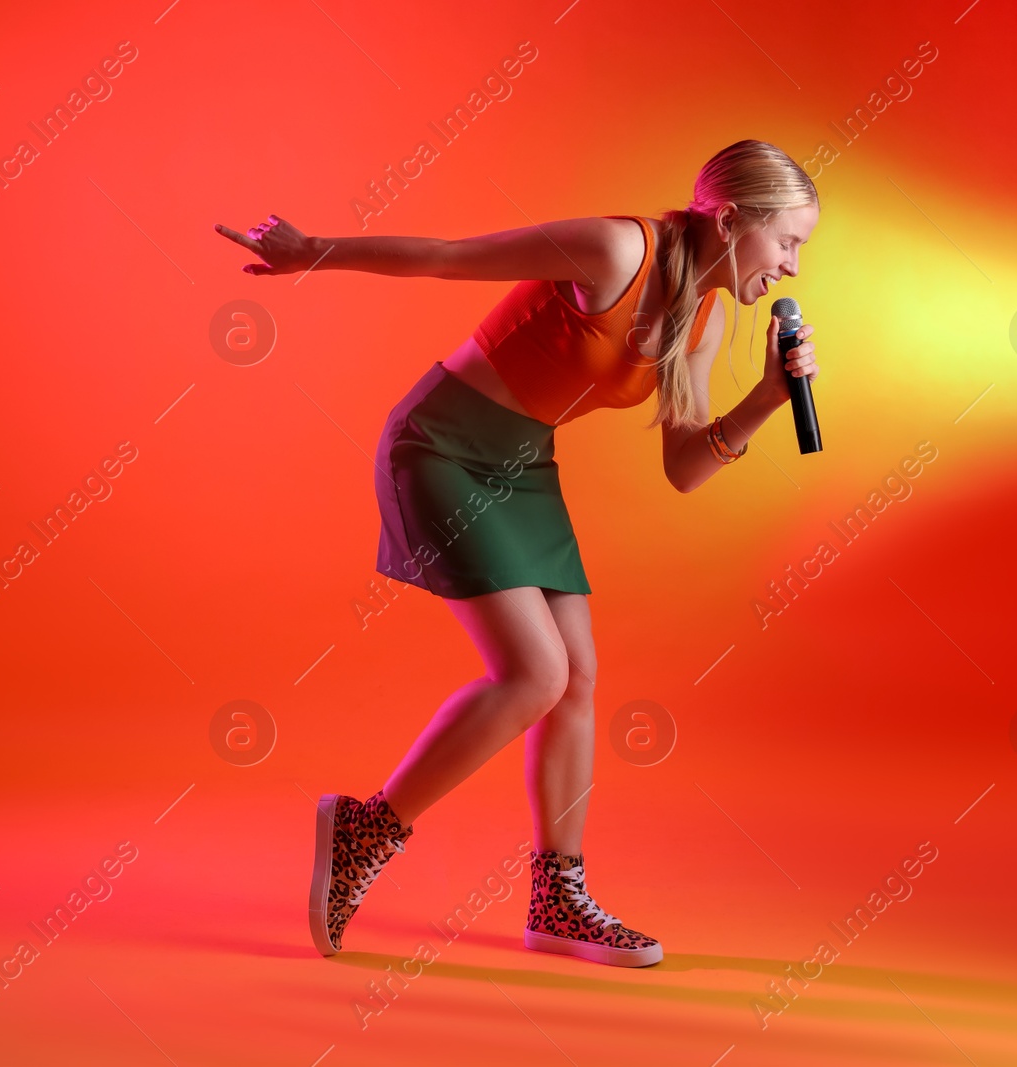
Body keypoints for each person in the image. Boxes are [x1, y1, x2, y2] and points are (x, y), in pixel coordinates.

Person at [215, 139, 820, 968]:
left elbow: (686, 468)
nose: (791, 267)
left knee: (578, 676)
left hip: (524, 463)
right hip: (440, 446)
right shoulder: (617, 251)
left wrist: (764, 400)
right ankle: (366, 831)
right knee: (536, 673)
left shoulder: (705, 321)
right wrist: (308, 251)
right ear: (732, 219)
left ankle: (558, 900)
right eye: (788, 241)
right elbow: (447, 258)